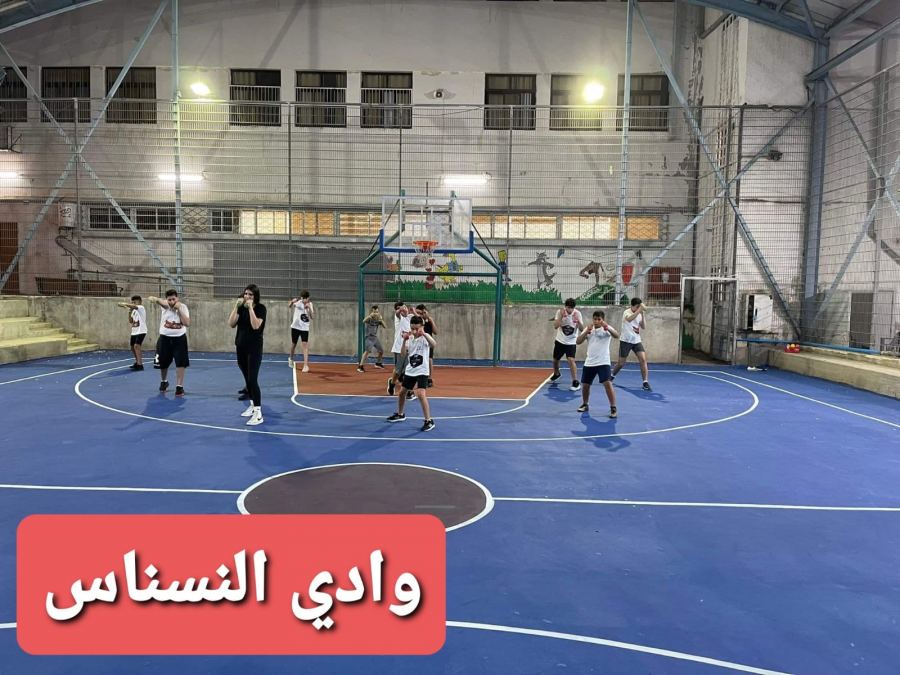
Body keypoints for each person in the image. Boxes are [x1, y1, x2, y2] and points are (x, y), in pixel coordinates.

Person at [386, 315, 436, 432]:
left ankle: (429, 421)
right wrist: (404, 340)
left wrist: (424, 334)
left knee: (421, 394)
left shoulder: (425, 337)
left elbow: (433, 344)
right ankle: (400, 414)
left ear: (422, 327)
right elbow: (403, 354)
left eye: (416, 328)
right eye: (412, 328)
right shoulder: (410, 338)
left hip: (422, 371)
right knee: (402, 393)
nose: (414, 331)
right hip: (410, 370)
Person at [229, 284, 266, 426]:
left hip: (254, 348)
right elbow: (231, 323)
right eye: (245, 294)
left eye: (250, 295)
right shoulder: (241, 307)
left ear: (255, 296)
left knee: (252, 379)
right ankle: (252, 404)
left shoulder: (261, 309)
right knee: (247, 379)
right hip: (241, 347)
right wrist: (236, 307)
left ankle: (258, 413)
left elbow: (256, 326)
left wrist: (250, 308)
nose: (247, 297)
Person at [575, 310, 619, 417]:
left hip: (603, 362)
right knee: (585, 385)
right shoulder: (588, 329)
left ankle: (613, 408)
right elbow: (578, 341)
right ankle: (585, 404)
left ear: (602, 320)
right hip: (590, 362)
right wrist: (586, 331)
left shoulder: (606, 328)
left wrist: (607, 327)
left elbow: (616, 335)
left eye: (599, 319)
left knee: (607, 383)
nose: (597, 321)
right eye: (595, 319)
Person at [148, 290, 191, 397]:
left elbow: (187, 323)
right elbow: (161, 302)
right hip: (165, 339)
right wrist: (155, 299)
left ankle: (179, 386)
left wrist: (179, 310)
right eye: (169, 299)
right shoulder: (166, 306)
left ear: (177, 299)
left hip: (179, 339)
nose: (172, 301)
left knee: (180, 363)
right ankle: (164, 381)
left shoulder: (183, 307)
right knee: (163, 362)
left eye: (173, 299)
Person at [611, 297, 651, 391]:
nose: (638, 308)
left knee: (643, 360)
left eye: (639, 307)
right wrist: (639, 311)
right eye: (637, 307)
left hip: (636, 340)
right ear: (632, 306)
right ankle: (612, 376)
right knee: (621, 363)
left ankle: (645, 382)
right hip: (626, 341)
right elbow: (629, 319)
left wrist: (642, 314)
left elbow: (643, 326)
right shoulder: (626, 312)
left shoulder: (639, 314)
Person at [549, 298, 584, 391]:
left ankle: (575, 382)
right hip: (560, 340)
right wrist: (561, 316)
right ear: (565, 307)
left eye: (572, 308)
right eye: (568, 307)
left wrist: (578, 321)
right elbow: (555, 326)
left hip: (571, 342)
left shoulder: (578, 314)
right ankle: (557, 374)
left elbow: (582, 329)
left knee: (571, 360)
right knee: (555, 360)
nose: (570, 310)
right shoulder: (560, 312)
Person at [387, 300, 414, 398]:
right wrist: (400, 309)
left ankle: (409, 391)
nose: (402, 310)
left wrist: (414, 312)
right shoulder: (398, 318)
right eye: (399, 309)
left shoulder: (410, 317)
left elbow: (420, 321)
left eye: (404, 307)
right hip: (399, 348)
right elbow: (397, 313)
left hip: (409, 348)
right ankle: (392, 383)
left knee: (408, 370)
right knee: (398, 371)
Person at [117, 295, 147, 370]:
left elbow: (134, 306)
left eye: (135, 302)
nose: (133, 303)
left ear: (140, 302)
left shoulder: (141, 308)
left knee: (136, 346)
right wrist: (129, 311)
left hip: (141, 330)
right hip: (134, 331)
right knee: (132, 347)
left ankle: (140, 365)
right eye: (132, 302)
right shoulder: (133, 311)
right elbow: (130, 321)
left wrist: (124, 304)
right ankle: (137, 362)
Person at [289, 291, 314, 372]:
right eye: (302, 298)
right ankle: (291, 358)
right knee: (294, 344)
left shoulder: (310, 304)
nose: (303, 300)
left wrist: (309, 308)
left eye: (305, 299)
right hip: (295, 327)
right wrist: (291, 302)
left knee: (305, 345)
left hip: (304, 328)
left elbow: (312, 317)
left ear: (308, 298)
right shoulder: (298, 303)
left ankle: (305, 365)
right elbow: (289, 306)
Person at [357, 305, 386, 372]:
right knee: (367, 351)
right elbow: (363, 321)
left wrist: (381, 320)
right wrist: (370, 316)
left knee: (381, 351)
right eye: (374, 312)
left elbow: (385, 326)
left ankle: (378, 363)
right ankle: (360, 366)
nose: (376, 313)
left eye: (377, 312)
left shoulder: (378, 319)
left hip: (375, 338)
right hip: (369, 337)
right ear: (372, 312)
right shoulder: (369, 318)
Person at [415, 304, 438, 386]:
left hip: (428, 342)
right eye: (418, 313)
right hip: (418, 342)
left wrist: (431, 320)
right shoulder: (417, 321)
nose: (420, 315)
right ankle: (417, 377)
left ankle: (429, 378)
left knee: (429, 359)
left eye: (421, 313)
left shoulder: (429, 320)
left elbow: (435, 332)